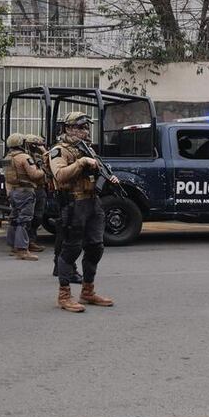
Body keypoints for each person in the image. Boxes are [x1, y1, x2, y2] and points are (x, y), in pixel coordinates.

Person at [48, 112, 116, 313]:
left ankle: (88, 291)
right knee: (71, 249)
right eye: (80, 127)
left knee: (96, 247)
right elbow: (60, 175)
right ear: (68, 128)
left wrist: (108, 177)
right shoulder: (59, 150)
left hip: (92, 202)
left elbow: (97, 173)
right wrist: (81, 162)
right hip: (73, 204)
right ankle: (64, 295)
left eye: (86, 127)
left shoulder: (87, 149)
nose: (85, 131)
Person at [2, 132, 45, 261]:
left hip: (13, 191)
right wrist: (43, 170)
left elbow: (7, 177)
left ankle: (13, 246)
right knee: (24, 220)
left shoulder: (7, 158)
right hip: (25, 191)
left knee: (14, 219)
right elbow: (34, 174)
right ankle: (22, 250)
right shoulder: (24, 157)